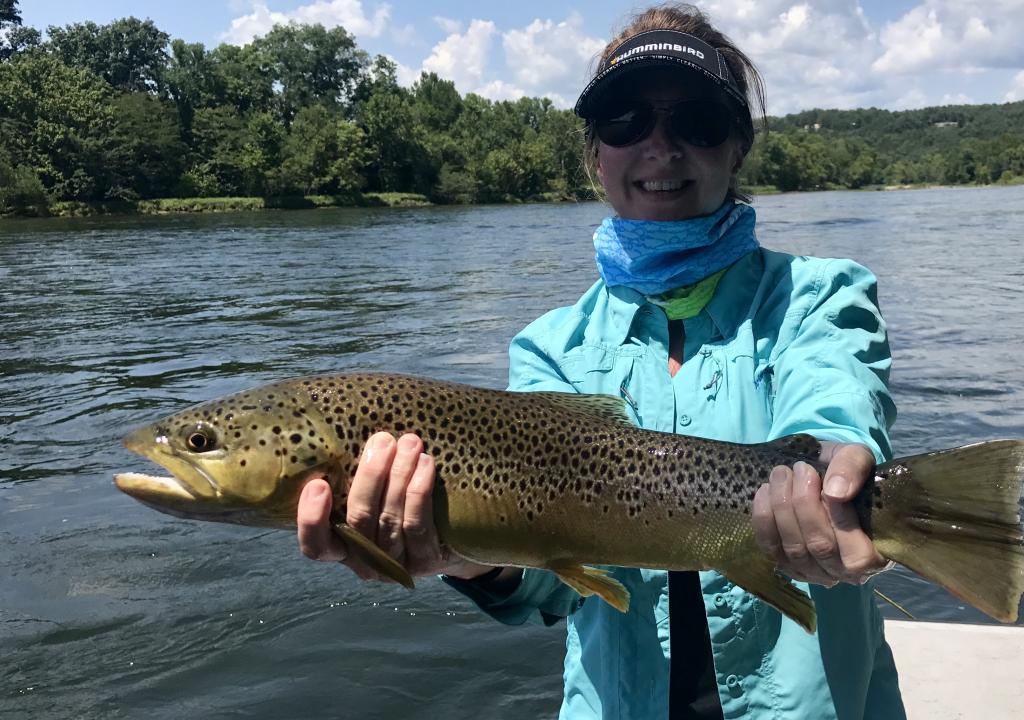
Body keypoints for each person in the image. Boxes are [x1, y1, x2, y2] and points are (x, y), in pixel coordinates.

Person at [296, 3, 905, 717]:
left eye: (696, 120)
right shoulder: (552, 349)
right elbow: (554, 581)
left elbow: (834, 407)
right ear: (595, 154)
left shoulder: (818, 296)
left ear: (738, 147)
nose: (660, 145)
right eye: (625, 118)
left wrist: (834, 480)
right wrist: (458, 553)